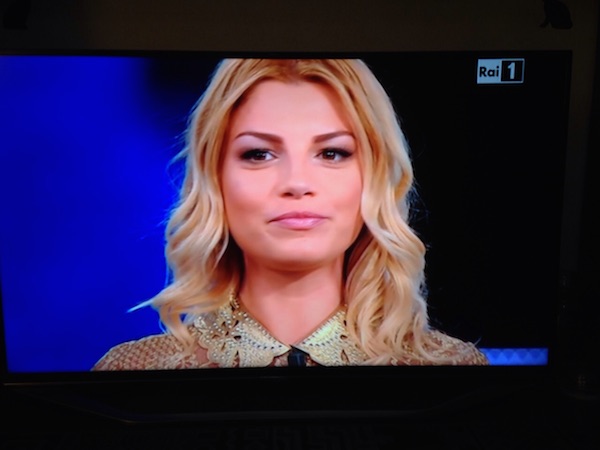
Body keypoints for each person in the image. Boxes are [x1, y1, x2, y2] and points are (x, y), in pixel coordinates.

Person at [92, 58, 488, 370]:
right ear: (216, 178)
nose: (297, 183)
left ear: (374, 177)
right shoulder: (133, 370)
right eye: (259, 154)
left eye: (332, 153)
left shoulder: (451, 367)